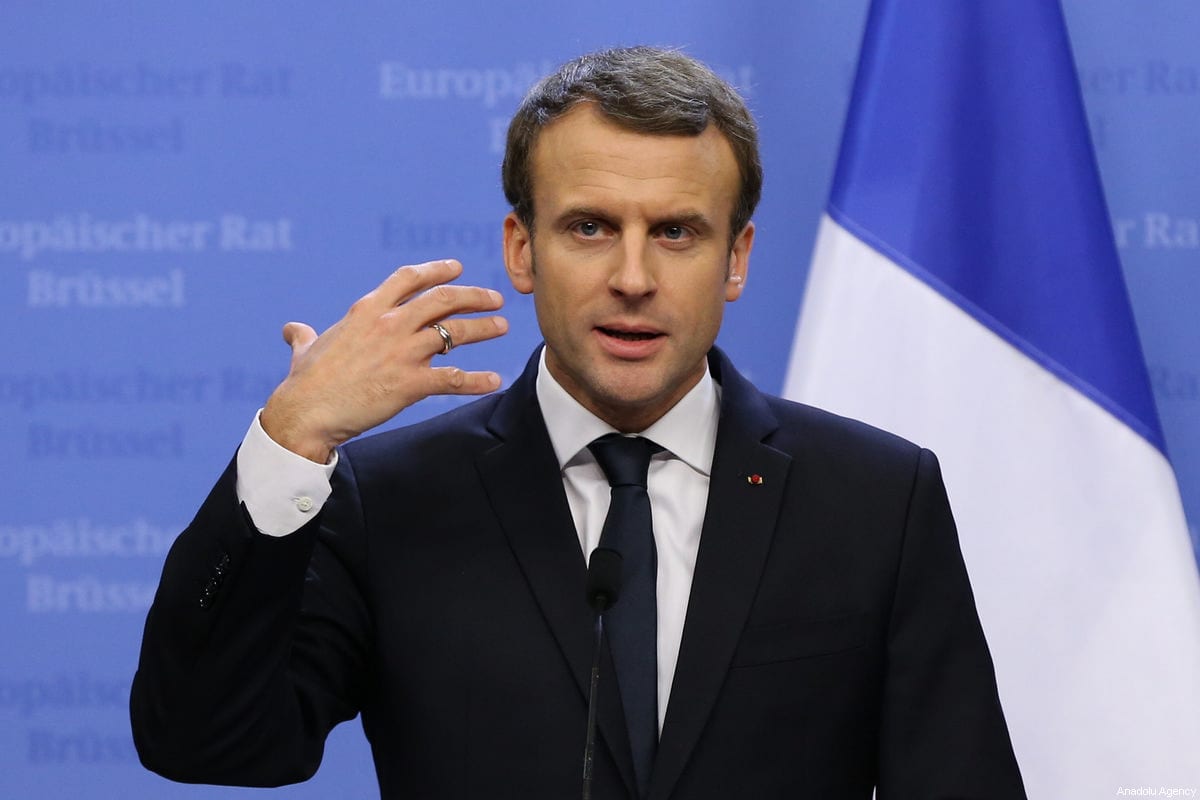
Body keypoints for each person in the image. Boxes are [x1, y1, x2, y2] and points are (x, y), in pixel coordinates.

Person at [131, 47, 1026, 799]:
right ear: (523, 249)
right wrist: (291, 438)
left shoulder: (872, 500)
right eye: (591, 227)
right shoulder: (391, 500)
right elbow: (207, 742)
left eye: (676, 232)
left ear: (738, 257)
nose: (633, 277)